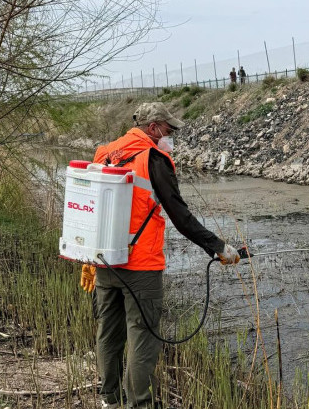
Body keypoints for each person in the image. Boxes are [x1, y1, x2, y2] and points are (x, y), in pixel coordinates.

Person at [81, 102, 240, 409]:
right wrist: (219, 247)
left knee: (108, 333)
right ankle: (140, 405)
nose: (171, 137)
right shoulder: (153, 158)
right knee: (142, 339)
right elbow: (180, 217)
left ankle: (109, 401)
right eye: (168, 130)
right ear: (152, 128)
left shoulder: (105, 152)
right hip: (141, 267)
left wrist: (90, 257)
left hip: (103, 261)